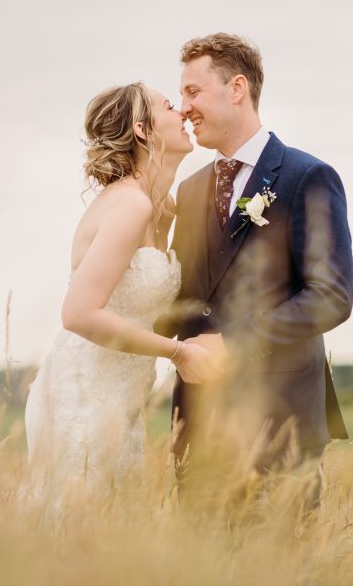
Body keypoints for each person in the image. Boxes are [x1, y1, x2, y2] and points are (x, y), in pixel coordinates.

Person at [163, 33, 353, 505]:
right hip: (199, 428)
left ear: (237, 88)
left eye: (192, 91)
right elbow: (184, 301)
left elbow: (331, 296)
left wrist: (233, 343)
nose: (184, 107)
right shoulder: (188, 191)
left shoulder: (306, 177)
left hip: (281, 425)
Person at [24, 82, 212, 511]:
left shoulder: (164, 209)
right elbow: (77, 314)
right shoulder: (130, 205)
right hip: (84, 391)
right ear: (144, 130)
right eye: (170, 105)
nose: (183, 111)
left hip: (123, 397)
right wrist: (179, 353)